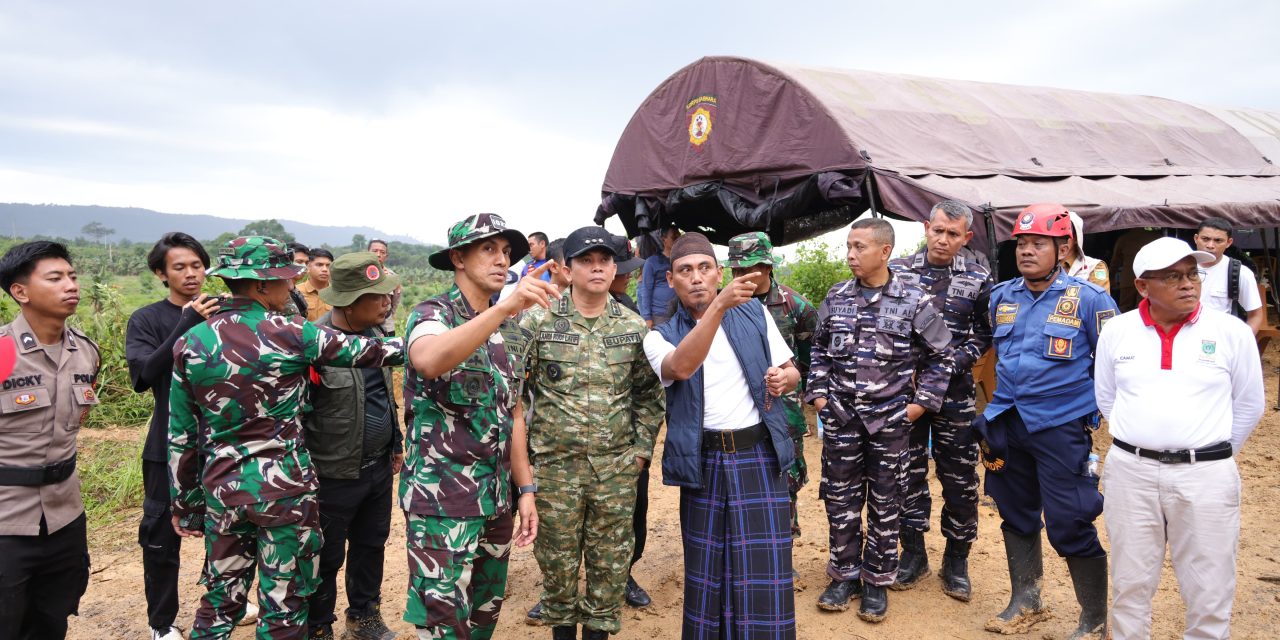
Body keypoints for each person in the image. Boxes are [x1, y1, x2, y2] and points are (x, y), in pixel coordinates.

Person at [169, 236, 407, 640]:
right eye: (286, 279)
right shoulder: (292, 333)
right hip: (285, 491)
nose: (293, 287)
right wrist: (419, 341)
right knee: (284, 604)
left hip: (224, 490)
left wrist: (187, 504)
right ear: (262, 284)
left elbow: (181, 435)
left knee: (220, 600)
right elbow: (372, 352)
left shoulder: (190, 343)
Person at [1095, 237, 1264, 639]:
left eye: (1193, 274)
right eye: (1172, 276)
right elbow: (1106, 397)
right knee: (1130, 582)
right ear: (1142, 286)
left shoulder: (1231, 332)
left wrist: (1211, 452)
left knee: (1209, 586)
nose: (1188, 284)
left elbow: (1249, 405)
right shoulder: (1118, 331)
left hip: (1206, 476)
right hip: (1131, 472)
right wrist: (1143, 442)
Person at [642, 231, 802, 639]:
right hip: (704, 463)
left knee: (763, 574)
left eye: (704, 268)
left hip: (758, 457)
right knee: (707, 573)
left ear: (718, 273)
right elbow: (680, 368)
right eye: (685, 270)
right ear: (671, 281)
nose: (696, 277)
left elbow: (791, 369)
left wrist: (784, 378)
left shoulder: (756, 314)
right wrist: (718, 308)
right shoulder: (659, 337)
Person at [402, 213, 549, 640]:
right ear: (458, 258)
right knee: (444, 625)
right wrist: (504, 305)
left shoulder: (510, 332)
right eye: (488, 249)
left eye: (506, 252)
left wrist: (526, 489)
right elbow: (429, 360)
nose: (502, 260)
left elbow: (515, 411)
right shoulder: (433, 313)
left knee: (483, 619)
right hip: (442, 504)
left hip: (495, 500)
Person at [978, 203, 1119, 639]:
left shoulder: (1091, 300)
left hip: (1060, 426)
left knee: (1070, 518)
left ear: (1063, 248)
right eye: (1021, 243)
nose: (1026, 251)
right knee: (1016, 512)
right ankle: (1027, 599)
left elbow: (1110, 363)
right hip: (1008, 423)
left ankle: (1093, 618)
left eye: (1038, 243)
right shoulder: (1002, 297)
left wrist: (1095, 412)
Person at [518, 226, 664, 640]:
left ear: (615, 267)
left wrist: (639, 453)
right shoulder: (538, 320)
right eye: (586, 260)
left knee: (609, 567)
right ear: (567, 268)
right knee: (557, 568)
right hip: (554, 472)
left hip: (614, 471)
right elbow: (512, 390)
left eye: (604, 260)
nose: (596, 268)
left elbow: (649, 397)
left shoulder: (634, 327)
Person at [807, 218, 953, 623]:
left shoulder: (914, 299)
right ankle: (843, 575)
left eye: (859, 247)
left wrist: (920, 405)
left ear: (884, 251)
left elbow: (942, 355)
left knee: (887, 504)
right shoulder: (837, 296)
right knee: (840, 500)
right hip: (840, 420)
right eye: (848, 247)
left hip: (889, 423)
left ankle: (876, 581)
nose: (851, 255)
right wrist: (819, 396)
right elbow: (817, 351)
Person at [127, 233, 256, 640]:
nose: (190, 274)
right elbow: (142, 376)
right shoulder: (147, 319)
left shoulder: (224, 314)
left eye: (197, 266)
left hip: (221, 444)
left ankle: (225, 602)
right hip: (167, 447)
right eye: (179, 267)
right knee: (163, 538)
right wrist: (187, 322)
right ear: (160, 274)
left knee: (226, 531)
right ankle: (161, 623)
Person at [887, 201, 993, 602]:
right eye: (938, 231)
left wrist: (948, 365)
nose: (944, 240)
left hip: (956, 397)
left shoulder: (978, 277)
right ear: (925, 227)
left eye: (954, 234)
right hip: (905, 393)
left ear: (966, 237)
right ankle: (913, 553)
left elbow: (984, 334)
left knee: (960, 479)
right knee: (905, 473)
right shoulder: (897, 272)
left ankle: (956, 559)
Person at [303, 252, 405, 640]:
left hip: (377, 467)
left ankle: (364, 617)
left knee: (370, 546)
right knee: (324, 556)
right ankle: (318, 626)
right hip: (332, 473)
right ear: (348, 299)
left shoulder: (378, 337)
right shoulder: (314, 342)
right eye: (377, 296)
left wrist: (394, 443)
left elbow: (382, 397)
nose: (386, 301)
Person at [0, 241, 99, 640]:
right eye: (55, 278)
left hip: (65, 515)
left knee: (53, 617)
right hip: (7, 520)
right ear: (19, 292)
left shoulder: (86, 352)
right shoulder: (3, 351)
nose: (70, 285)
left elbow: (77, 420)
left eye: (72, 276)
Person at [723, 231, 818, 546]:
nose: (742, 275)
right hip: (740, 408)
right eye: (736, 270)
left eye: (749, 268)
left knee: (785, 475)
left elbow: (812, 358)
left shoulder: (795, 306)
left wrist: (793, 381)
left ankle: (783, 546)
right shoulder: (724, 304)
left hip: (785, 409)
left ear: (767, 266)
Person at [1194, 218, 1266, 334]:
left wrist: (1242, 344)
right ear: (1196, 238)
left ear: (1229, 243)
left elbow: (1255, 315)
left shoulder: (1240, 273)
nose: (1210, 245)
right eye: (1205, 239)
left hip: (1219, 342)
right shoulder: (1178, 267)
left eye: (1218, 240)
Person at [1108, 227, 1164, 313]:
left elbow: (1115, 262)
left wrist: (1111, 278)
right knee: (1143, 308)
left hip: (1127, 279)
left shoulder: (1124, 239)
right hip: (1148, 279)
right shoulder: (1156, 238)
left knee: (1124, 308)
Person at [639, 226, 681, 328]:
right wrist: (647, 317)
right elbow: (646, 289)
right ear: (664, 239)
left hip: (680, 313)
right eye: (674, 237)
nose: (677, 239)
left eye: (679, 236)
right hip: (660, 315)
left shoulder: (682, 260)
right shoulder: (652, 262)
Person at [1064, 212, 1111, 292]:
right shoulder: (1046, 265)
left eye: (1065, 236)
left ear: (1076, 238)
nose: (1059, 241)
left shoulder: (1094, 266)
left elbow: (1101, 300)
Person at [368, 239, 402, 335]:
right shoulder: (359, 274)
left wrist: (387, 314)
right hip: (365, 325)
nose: (378, 255)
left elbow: (395, 300)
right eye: (374, 251)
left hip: (387, 325)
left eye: (382, 252)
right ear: (367, 253)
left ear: (386, 257)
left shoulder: (392, 277)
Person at [300, 248, 334, 321]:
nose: (325, 269)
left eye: (328, 265)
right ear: (308, 267)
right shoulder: (296, 292)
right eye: (319, 265)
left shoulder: (338, 293)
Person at [286, 242, 311, 318]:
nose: (304, 266)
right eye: (299, 262)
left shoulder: (295, 291)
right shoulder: (277, 292)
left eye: (306, 263)